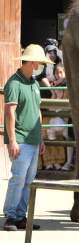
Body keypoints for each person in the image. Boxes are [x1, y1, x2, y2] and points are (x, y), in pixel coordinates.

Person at [3, 44, 52, 231]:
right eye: (38, 62)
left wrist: (41, 138)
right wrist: (13, 140)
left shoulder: (33, 83)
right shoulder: (14, 83)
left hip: (32, 138)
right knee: (19, 177)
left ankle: (20, 215)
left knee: (28, 179)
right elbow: (9, 112)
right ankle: (11, 216)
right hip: (22, 139)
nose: (40, 65)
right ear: (31, 62)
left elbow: (37, 111)